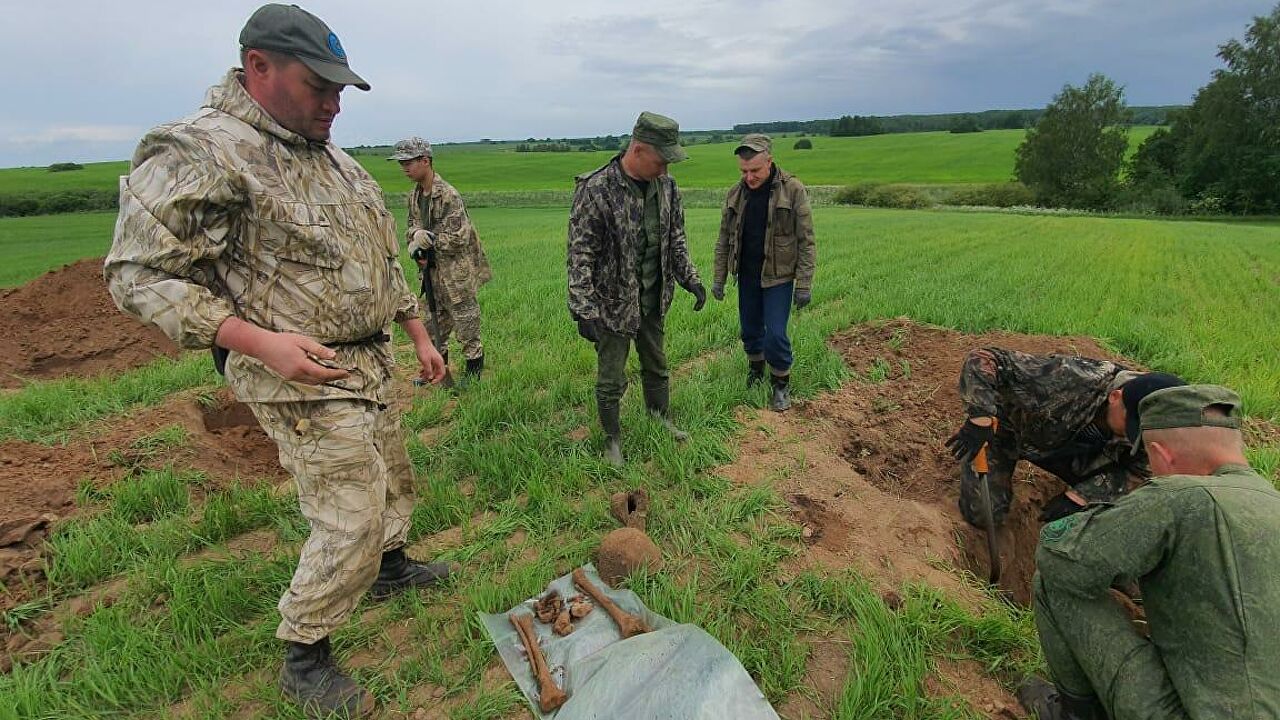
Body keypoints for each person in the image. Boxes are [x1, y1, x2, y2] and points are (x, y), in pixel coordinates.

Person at [104, 5, 449, 717]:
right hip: (293, 373)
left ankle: (387, 568)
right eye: (317, 85)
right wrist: (259, 343)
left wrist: (416, 332)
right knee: (349, 509)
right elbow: (136, 275)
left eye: (341, 91)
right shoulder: (203, 150)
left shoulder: (335, 161)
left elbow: (380, 261)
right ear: (257, 66)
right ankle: (306, 652)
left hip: (369, 360)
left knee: (392, 478)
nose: (332, 103)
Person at [1020, 384, 1280, 719]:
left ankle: (1077, 714)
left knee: (1054, 581)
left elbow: (1065, 561)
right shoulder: (1270, 500)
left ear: (1160, 454)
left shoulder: (1179, 495)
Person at [567, 111, 707, 466]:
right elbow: (580, 252)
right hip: (612, 303)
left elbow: (676, 239)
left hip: (654, 294)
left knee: (657, 364)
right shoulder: (597, 188)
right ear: (639, 149)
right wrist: (583, 307)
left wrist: (690, 278)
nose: (665, 169)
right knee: (611, 375)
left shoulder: (668, 188)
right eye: (661, 161)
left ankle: (659, 416)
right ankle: (612, 439)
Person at [946, 347, 1185, 526]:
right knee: (983, 514)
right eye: (1132, 425)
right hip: (1008, 433)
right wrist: (980, 419)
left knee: (1111, 514)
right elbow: (984, 359)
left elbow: (1139, 474)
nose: (1134, 436)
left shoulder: (1157, 429)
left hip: (1078, 454)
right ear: (1115, 397)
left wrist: (1080, 497)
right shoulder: (1071, 378)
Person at [711, 133, 816, 411]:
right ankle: (755, 372)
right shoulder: (735, 194)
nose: (749, 177)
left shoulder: (792, 190)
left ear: (769, 161)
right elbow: (723, 240)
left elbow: (806, 240)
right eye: (744, 171)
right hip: (746, 274)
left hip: (778, 276)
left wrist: (804, 284)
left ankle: (780, 383)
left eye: (755, 170)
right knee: (750, 330)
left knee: (776, 334)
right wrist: (719, 279)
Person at [389, 137, 492, 387]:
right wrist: (415, 235)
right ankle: (439, 371)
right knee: (434, 326)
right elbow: (411, 226)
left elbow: (459, 238)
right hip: (431, 274)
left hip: (456, 275)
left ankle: (473, 373)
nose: (404, 168)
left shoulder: (448, 195)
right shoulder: (414, 195)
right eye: (401, 163)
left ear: (425, 161)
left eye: (409, 162)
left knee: (466, 323)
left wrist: (429, 240)